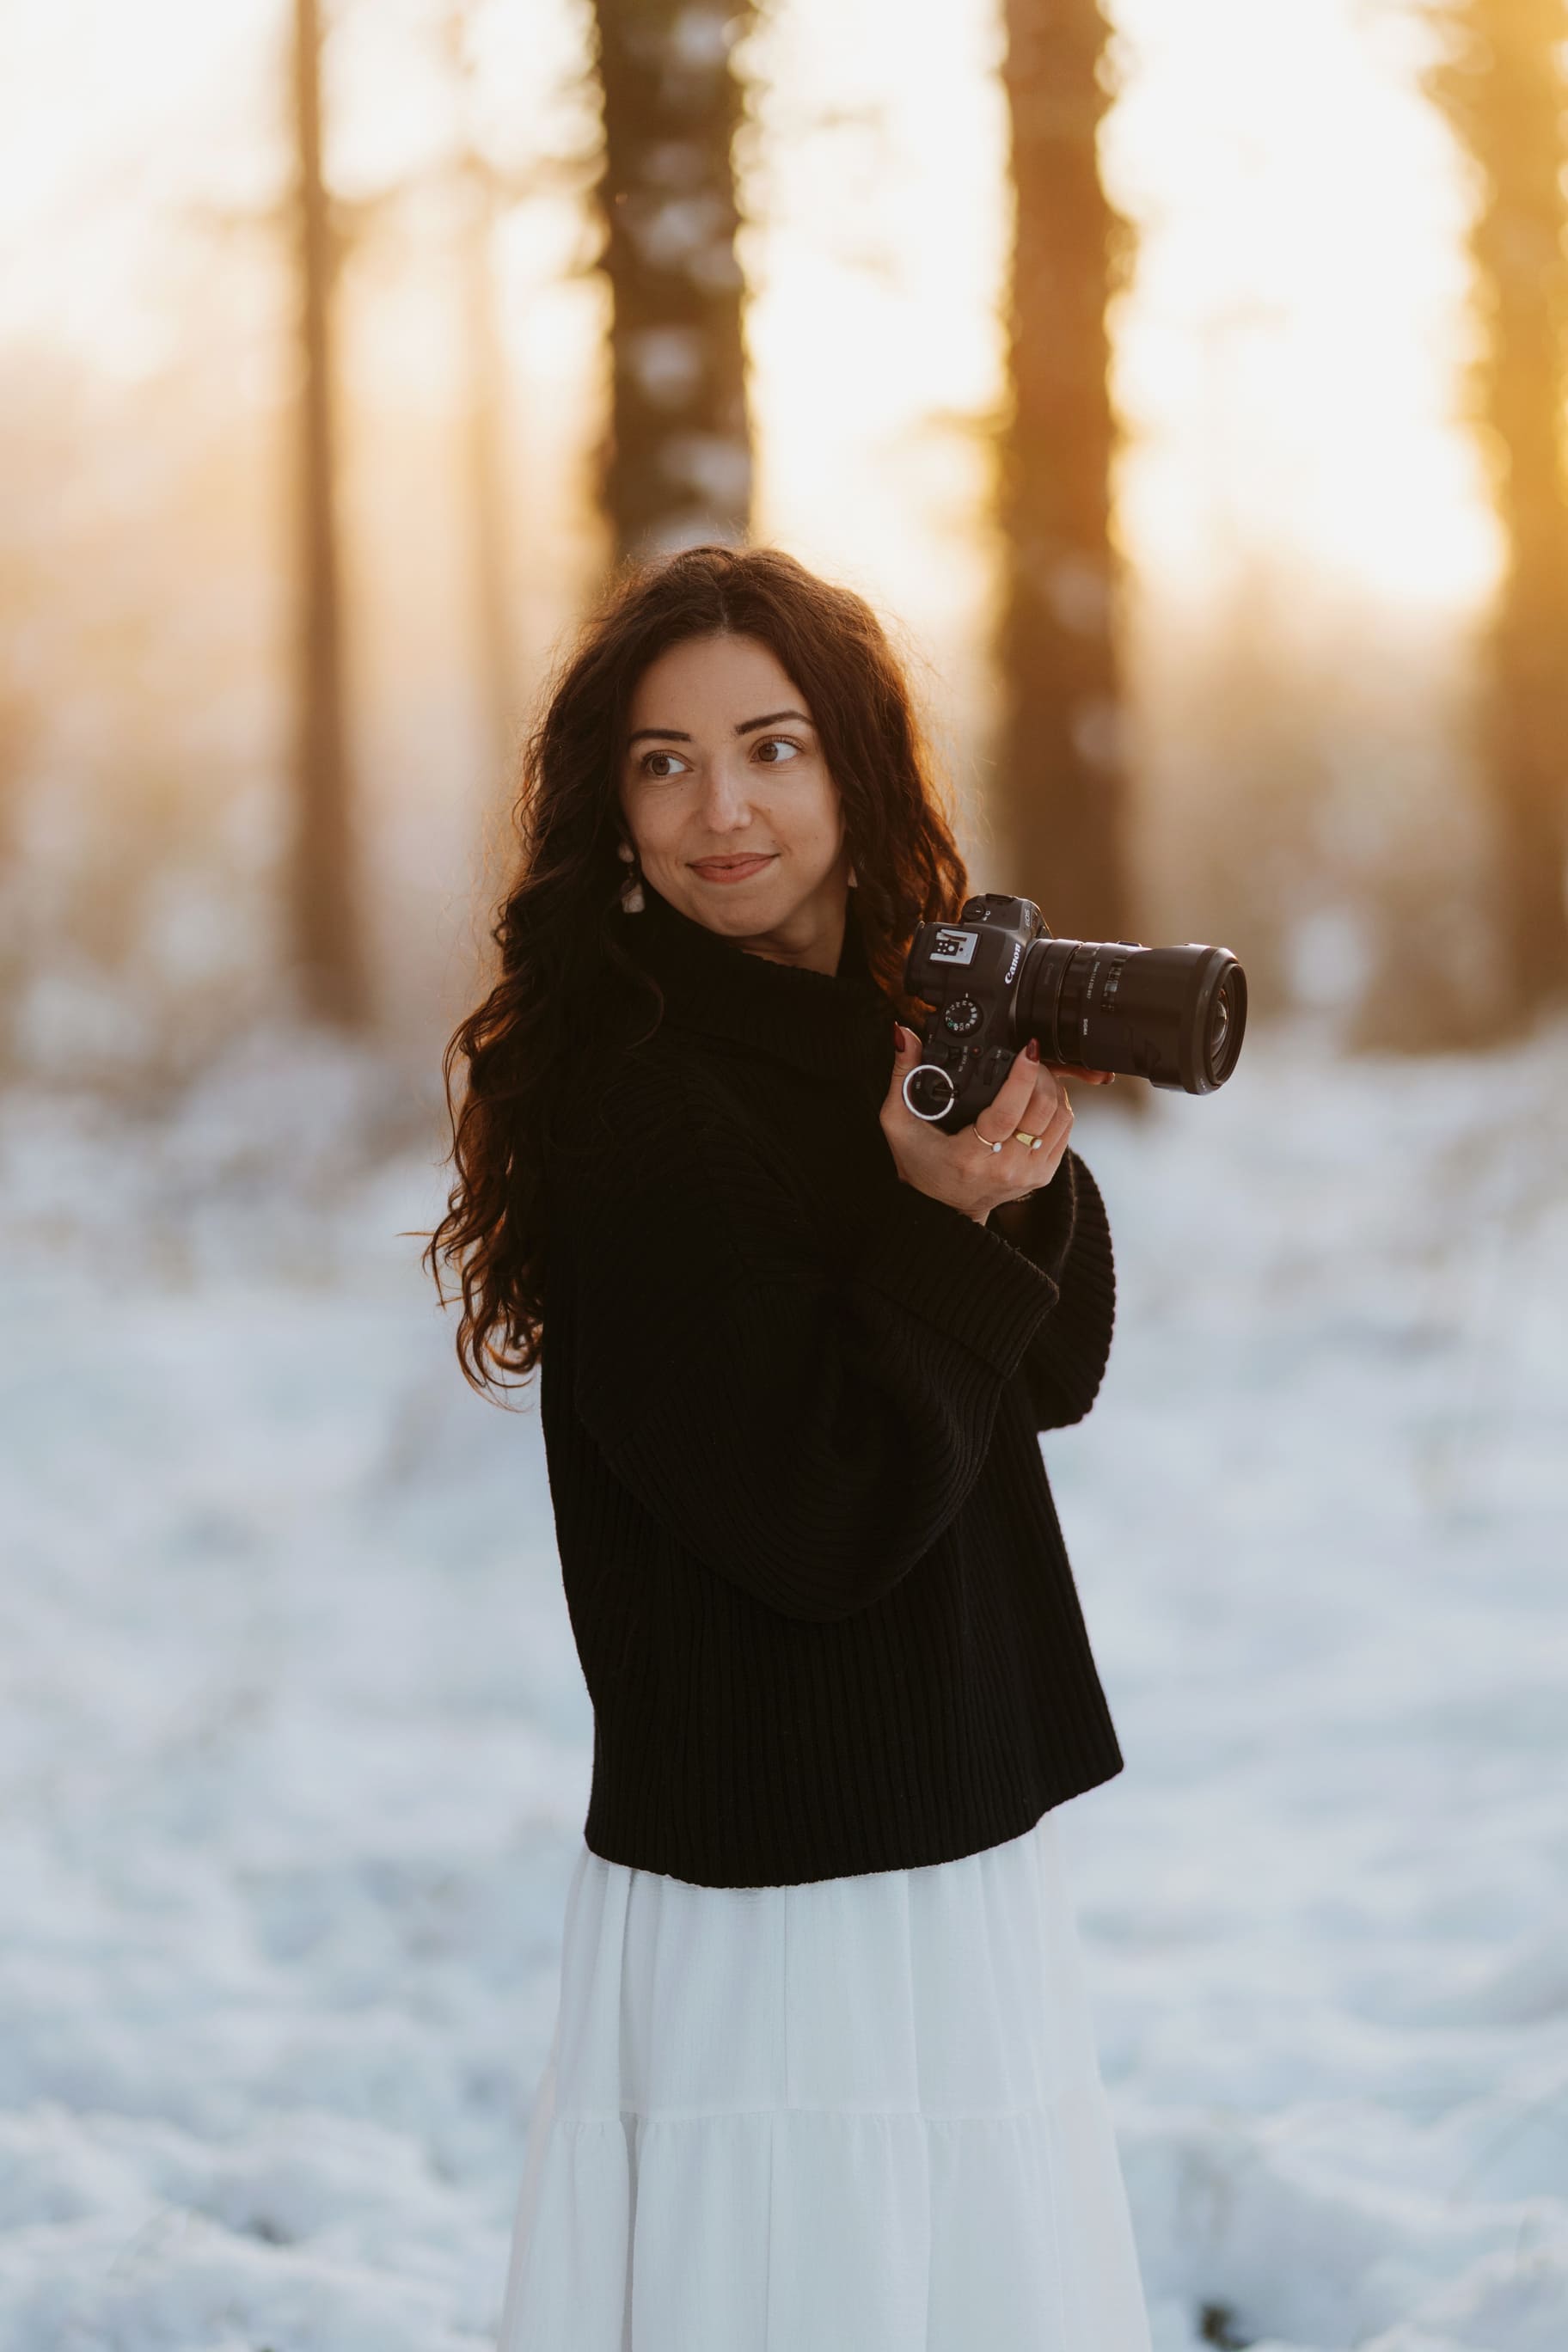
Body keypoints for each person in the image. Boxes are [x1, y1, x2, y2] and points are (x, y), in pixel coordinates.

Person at [426, 543, 1153, 2350]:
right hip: (777, 1869)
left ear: (853, 770)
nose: (720, 810)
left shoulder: (873, 1031)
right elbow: (819, 1515)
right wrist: (933, 1222)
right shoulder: (639, 1099)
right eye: (664, 764)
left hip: (940, 1817)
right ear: (611, 807)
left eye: (770, 748)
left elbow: (1046, 1375)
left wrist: (1002, 1179)